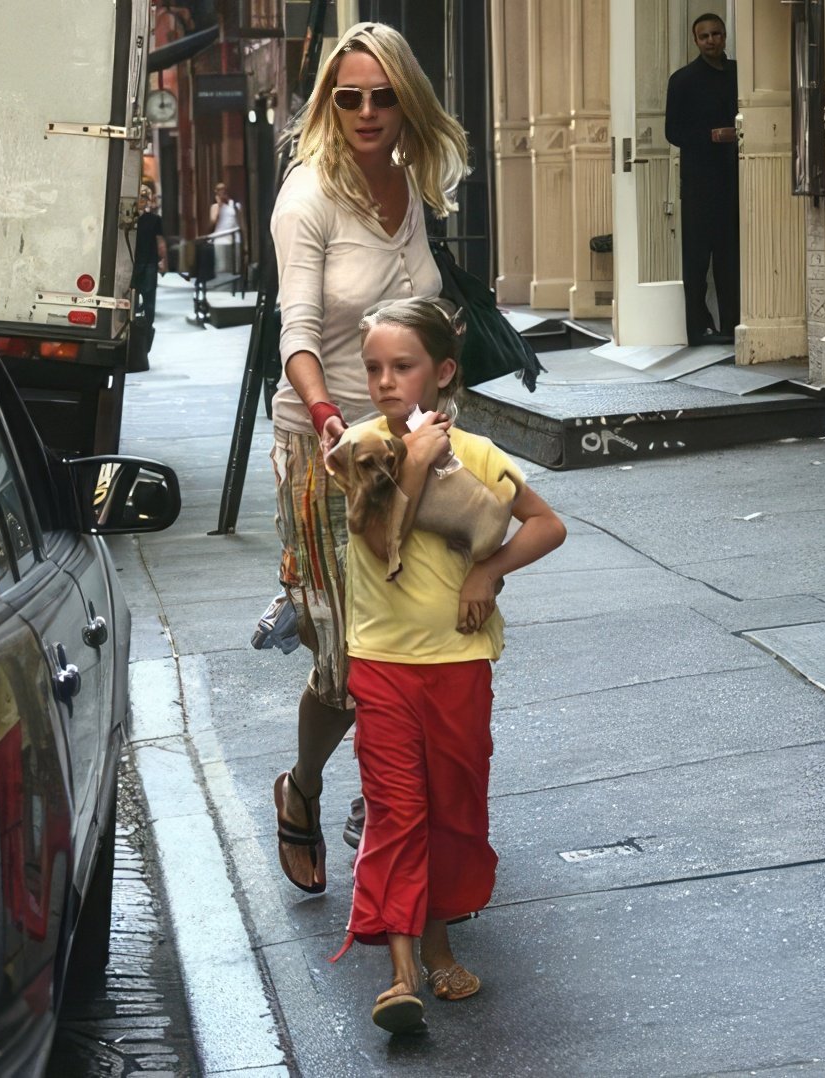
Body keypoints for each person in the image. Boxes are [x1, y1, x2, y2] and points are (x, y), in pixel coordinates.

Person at [324, 296, 567, 1034]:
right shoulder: (357, 451)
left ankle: (437, 944)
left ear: (444, 373)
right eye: (373, 368)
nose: (386, 382)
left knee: (454, 809)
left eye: (404, 366)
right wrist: (418, 456)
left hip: (459, 664)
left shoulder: (485, 457)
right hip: (383, 662)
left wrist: (486, 574)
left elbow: (548, 525)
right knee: (398, 811)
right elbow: (374, 539)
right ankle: (400, 975)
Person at [266, 21, 470, 895]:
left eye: (383, 95)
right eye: (348, 96)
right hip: (329, 454)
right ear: (328, 105)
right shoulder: (306, 197)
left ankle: (387, 807)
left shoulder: (411, 186)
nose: (365, 111)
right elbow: (299, 333)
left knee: (426, 640)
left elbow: (421, 309)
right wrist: (327, 420)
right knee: (347, 669)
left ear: (406, 103)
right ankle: (304, 789)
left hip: (412, 445)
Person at [665, 12, 740, 345]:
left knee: (730, 259)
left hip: (734, 178)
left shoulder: (739, 74)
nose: (712, 41)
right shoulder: (682, 79)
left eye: (717, 34)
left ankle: (732, 327)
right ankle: (696, 328)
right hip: (698, 181)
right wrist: (712, 136)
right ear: (695, 40)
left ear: (724, 36)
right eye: (705, 36)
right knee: (696, 260)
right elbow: (673, 132)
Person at [132, 183, 166, 330]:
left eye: (143, 198)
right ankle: (144, 326)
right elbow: (160, 243)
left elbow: (160, 243)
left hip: (142, 264)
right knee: (146, 298)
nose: (142, 200)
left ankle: (142, 325)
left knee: (142, 298)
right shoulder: (153, 219)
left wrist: (162, 259)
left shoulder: (149, 220)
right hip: (143, 264)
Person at [208, 181, 244, 278]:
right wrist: (219, 206)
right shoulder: (215, 207)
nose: (222, 193)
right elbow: (213, 221)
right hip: (221, 239)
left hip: (235, 238)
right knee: (222, 266)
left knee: (235, 265)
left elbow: (240, 222)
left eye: (223, 190)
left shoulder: (235, 206)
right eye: (219, 191)